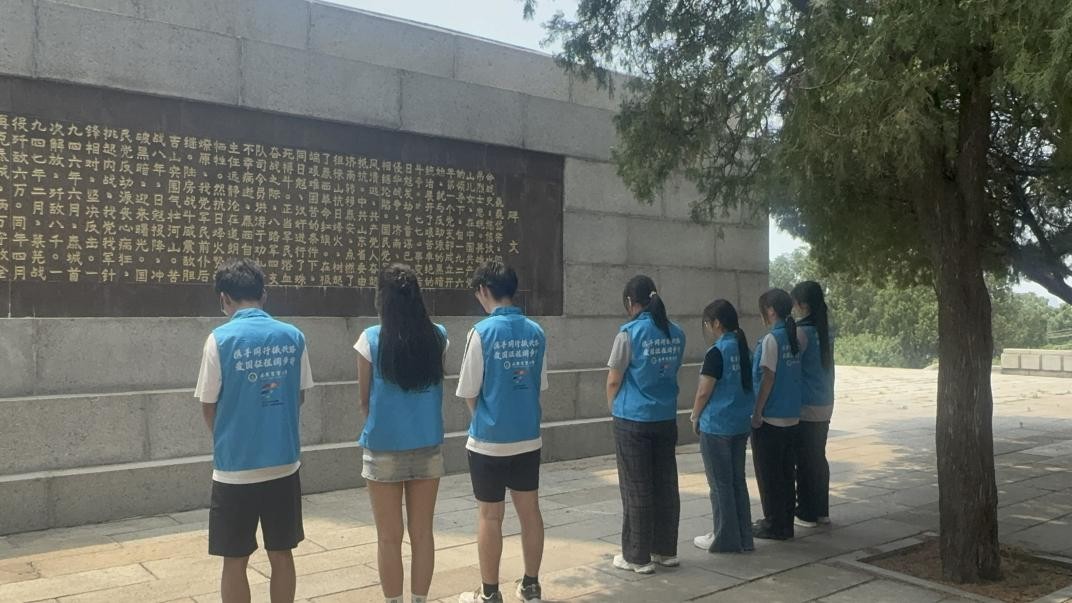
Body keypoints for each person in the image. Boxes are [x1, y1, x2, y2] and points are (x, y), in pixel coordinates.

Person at [194, 258, 315, 603]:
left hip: (235, 470)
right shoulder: (293, 336)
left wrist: (230, 437)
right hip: (283, 464)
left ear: (224, 299)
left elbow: (208, 403)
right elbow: (299, 395)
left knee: (234, 560)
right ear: (264, 294)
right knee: (282, 553)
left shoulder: (219, 340)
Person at [456, 261, 549, 603]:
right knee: (530, 512)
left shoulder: (481, 333)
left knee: (490, 516)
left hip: (489, 443)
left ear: (483, 290)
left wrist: (485, 417)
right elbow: (539, 385)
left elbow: (469, 391)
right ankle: (531, 586)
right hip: (527, 437)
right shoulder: (536, 332)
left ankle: (490, 593)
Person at [355, 264, 448, 603]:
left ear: (382, 298)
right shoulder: (438, 336)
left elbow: (364, 400)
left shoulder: (370, 339)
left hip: (383, 448)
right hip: (427, 446)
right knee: (423, 534)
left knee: (388, 537)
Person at [606, 275, 686, 574]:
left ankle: (637, 557)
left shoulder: (629, 334)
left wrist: (613, 408)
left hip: (633, 419)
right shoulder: (676, 333)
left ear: (630, 302)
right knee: (665, 484)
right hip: (665, 417)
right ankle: (665, 550)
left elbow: (614, 379)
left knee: (636, 487)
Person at [690, 299, 756, 554]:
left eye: (708, 323)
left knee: (719, 485)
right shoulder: (744, 349)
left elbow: (703, 391)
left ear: (717, 323)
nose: (708, 328)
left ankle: (724, 538)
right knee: (737, 481)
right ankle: (744, 537)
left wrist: (695, 416)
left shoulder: (716, 352)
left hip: (716, 425)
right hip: (739, 424)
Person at [750, 288, 806, 541]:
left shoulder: (771, 340)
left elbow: (768, 378)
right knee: (786, 474)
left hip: (771, 417)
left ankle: (774, 524)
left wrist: (757, 412)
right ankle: (785, 523)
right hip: (791, 415)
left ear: (771, 311)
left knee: (769, 475)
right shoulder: (794, 337)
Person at [791, 281, 835, 529]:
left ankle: (806, 513)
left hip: (806, 404)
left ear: (803, 305)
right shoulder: (825, 329)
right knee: (818, 456)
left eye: (795, 303)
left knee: (805, 460)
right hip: (825, 400)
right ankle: (821, 511)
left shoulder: (801, 333)